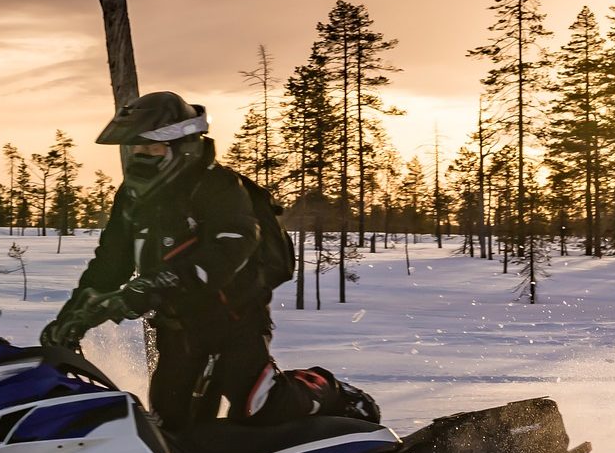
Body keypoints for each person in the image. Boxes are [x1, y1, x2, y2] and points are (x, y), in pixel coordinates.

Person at [39, 91, 377, 431]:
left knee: (258, 407)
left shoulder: (219, 186)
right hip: (175, 327)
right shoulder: (131, 198)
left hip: (234, 320)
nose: (141, 157)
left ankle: (330, 390)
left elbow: (232, 246)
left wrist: (154, 285)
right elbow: (109, 265)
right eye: (136, 148)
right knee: (170, 427)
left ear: (182, 146)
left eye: (153, 149)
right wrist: (71, 318)